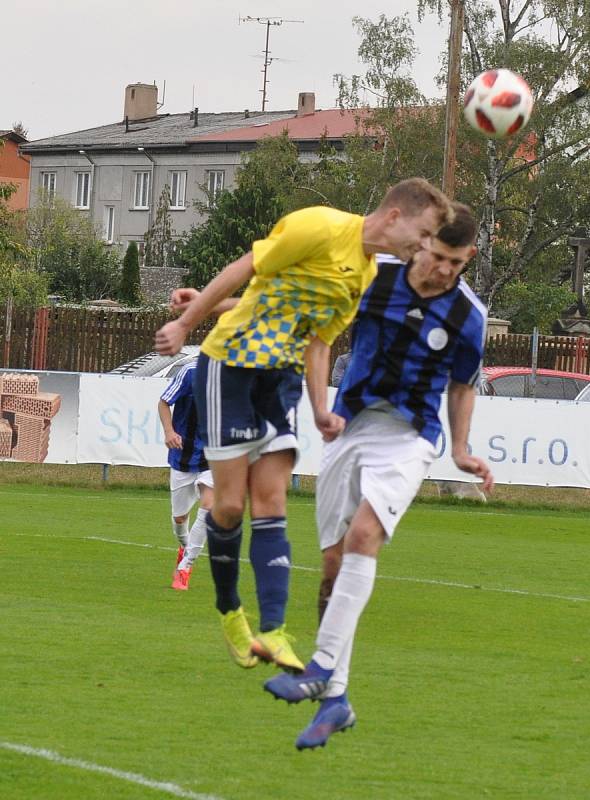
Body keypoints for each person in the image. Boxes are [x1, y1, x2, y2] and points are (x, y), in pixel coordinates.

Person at [154, 178, 453, 673]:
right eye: (421, 236)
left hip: (281, 385)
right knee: (228, 506)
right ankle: (231, 614)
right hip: (228, 366)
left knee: (271, 503)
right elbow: (248, 269)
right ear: (396, 216)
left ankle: (272, 632)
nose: (422, 248)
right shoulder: (320, 225)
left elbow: (319, 342)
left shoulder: (366, 274)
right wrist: (189, 323)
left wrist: (319, 407)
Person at [264, 203, 494, 750]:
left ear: (469, 258)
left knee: (366, 536)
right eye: (437, 256)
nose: (443, 271)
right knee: (331, 566)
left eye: (455, 264)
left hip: (410, 438)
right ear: (424, 241)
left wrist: (460, 450)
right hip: (349, 427)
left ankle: (319, 666)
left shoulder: (469, 316)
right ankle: (336, 700)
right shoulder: (375, 277)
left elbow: (462, 386)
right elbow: (316, 324)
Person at [158, 361, 214, 591]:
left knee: (210, 506)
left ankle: (185, 567)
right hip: (184, 454)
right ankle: (185, 546)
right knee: (180, 519)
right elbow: (163, 402)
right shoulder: (191, 372)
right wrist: (169, 431)